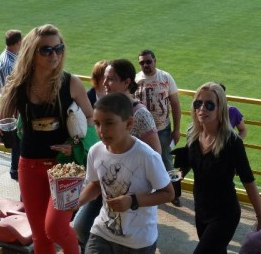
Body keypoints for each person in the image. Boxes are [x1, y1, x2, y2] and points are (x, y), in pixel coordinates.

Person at [0, 24, 94, 254]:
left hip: (65, 167)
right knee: (40, 236)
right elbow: (0, 122)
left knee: (56, 229)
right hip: (29, 165)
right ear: (31, 52)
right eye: (46, 50)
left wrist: (74, 143)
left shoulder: (71, 83)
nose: (55, 55)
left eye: (59, 48)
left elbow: (91, 118)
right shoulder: (17, 86)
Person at [74, 59, 162, 247]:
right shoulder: (103, 108)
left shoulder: (140, 115)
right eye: (98, 124)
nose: (104, 84)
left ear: (127, 83)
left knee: (83, 227)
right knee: (81, 227)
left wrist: (135, 199)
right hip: (107, 185)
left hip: (128, 194)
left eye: (111, 79)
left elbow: (156, 155)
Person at [172, 82, 261, 254]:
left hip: (225, 214)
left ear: (220, 108)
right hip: (201, 210)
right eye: (198, 104)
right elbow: (188, 162)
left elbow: (248, 180)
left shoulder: (232, 142)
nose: (202, 109)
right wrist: (176, 175)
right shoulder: (193, 133)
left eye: (209, 105)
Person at [78, 93, 174, 254]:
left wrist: (132, 201)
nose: (102, 131)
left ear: (129, 123)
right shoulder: (95, 151)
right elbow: (96, 184)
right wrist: (77, 202)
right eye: (97, 123)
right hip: (102, 232)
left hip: (138, 242)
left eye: (109, 123)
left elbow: (168, 193)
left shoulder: (147, 156)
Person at [135, 50, 181, 202]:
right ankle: (148, 192)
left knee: (167, 161)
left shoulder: (165, 77)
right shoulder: (136, 80)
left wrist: (176, 130)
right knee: (142, 161)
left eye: (149, 61)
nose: (146, 65)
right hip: (142, 131)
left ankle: (175, 194)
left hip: (163, 129)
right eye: (142, 62)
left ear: (155, 61)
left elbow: (175, 105)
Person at [0, 29, 23, 181]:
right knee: (17, 139)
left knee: (18, 139)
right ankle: (15, 170)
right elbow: (9, 90)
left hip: (12, 105)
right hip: (12, 107)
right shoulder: (8, 63)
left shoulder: (8, 57)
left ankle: (15, 169)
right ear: (17, 42)